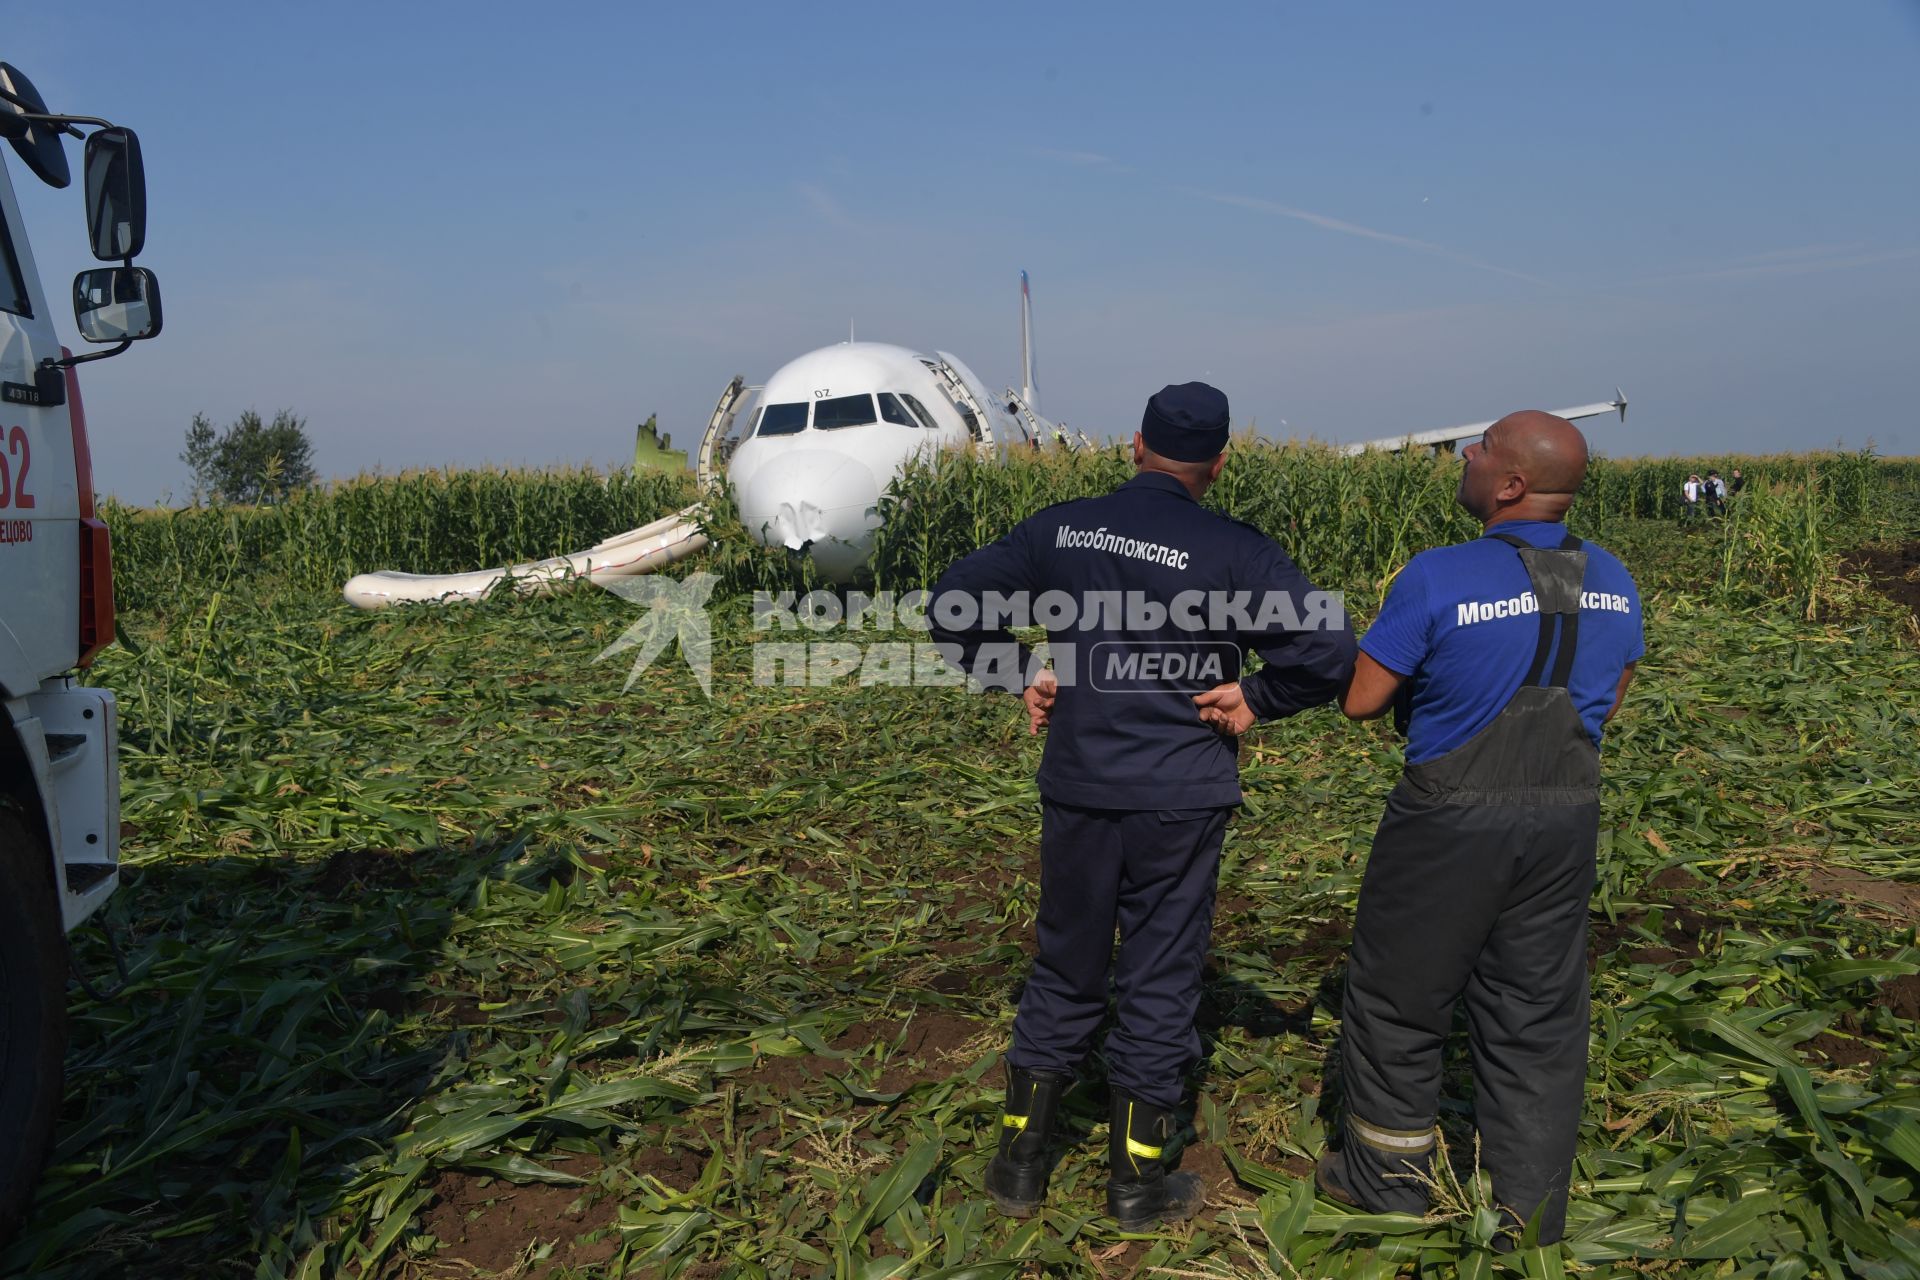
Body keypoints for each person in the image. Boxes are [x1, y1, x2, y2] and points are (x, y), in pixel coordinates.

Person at [929, 383, 1355, 1230]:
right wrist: (1255, 701)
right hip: (1179, 794)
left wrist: (1018, 674)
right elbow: (1330, 651)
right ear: (1220, 462)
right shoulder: (1235, 549)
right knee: (1160, 974)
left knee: (1065, 963)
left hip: (1080, 785)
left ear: (1133, 445)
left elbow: (951, 603)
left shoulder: (1062, 528)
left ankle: (1019, 1167)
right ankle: (1138, 1184)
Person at [1312, 411, 1642, 1248]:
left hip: (1451, 818)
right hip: (1567, 817)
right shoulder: (1612, 579)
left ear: (1510, 485)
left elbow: (1361, 701)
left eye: (1483, 446)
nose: (1465, 453)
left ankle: (1388, 1183)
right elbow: (1606, 700)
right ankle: (1527, 1219)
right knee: (1536, 1016)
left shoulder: (1437, 577)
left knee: (1398, 1000)